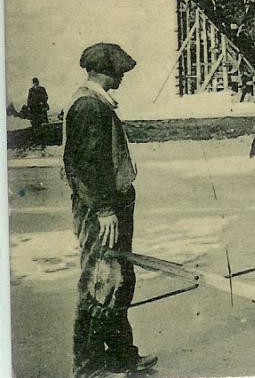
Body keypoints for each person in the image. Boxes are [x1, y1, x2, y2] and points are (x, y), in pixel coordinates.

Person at [63, 43, 157, 377]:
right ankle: (88, 367)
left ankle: (121, 357)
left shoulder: (95, 102)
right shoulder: (90, 106)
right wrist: (104, 210)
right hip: (101, 212)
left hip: (109, 207)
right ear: (108, 71)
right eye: (119, 73)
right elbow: (86, 166)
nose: (122, 79)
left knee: (118, 279)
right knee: (102, 281)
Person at [26, 76, 50, 150]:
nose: (35, 84)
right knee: (36, 124)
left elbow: (46, 97)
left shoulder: (42, 89)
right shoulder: (31, 90)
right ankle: (38, 140)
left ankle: (46, 140)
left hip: (41, 108)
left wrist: (42, 102)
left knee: (44, 123)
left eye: (36, 82)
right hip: (35, 110)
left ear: (38, 82)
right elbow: (29, 99)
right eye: (34, 83)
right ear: (33, 83)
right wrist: (30, 106)